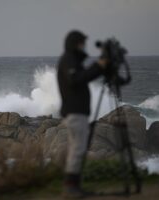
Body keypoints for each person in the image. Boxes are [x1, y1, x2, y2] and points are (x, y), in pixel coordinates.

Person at [57, 30, 107, 198]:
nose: (83, 46)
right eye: (81, 42)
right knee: (78, 148)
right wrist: (98, 66)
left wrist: (99, 68)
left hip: (76, 112)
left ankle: (73, 185)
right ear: (74, 43)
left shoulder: (70, 60)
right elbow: (76, 79)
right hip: (75, 112)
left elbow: (81, 77)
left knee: (77, 148)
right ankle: (71, 187)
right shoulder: (69, 60)